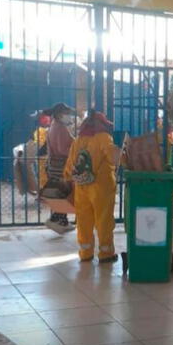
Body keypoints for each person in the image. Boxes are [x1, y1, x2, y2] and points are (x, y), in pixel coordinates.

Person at [64, 110, 117, 263]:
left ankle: (85, 252)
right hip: (102, 187)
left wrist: (68, 178)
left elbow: (69, 167)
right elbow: (113, 158)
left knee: (83, 220)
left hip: (81, 187)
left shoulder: (78, 140)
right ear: (101, 125)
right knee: (103, 219)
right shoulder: (104, 138)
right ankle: (105, 253)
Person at [43, 103, 76, 233]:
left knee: (59, 193)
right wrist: (75, 150)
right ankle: (57, 220)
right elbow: (63, 149)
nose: (69, 116)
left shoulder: (54, 126)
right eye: (67, 113)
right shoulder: (60, 128)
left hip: (54, 164)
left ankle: (60, 221)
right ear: (60, 114)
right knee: (63, 193)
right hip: (61, 164)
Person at [32, 111, 51, 189]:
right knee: (42, 174)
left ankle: (43, 191)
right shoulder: (43, 130)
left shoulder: (42, 130)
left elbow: (40, 144)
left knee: (43, 174)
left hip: (43, 155)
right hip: (44, 155)